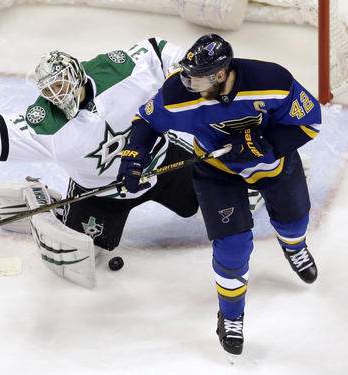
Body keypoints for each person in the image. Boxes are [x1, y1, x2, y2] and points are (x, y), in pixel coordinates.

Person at [0, 38, 210, 288]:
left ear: (77, 76)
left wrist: (186, 73)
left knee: (197, 204)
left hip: (159, 164)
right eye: (50, 90)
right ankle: (43, 203)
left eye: (61, 85)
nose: (58, 94)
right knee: (81, 258)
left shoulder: (116, 71)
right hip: (100, 194)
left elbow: (156, 50)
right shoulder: (47, 124)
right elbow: (0, 129)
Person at [117, 34, 321, 356]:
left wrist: (262, 146)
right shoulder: (177, 93)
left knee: (294, 224)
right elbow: (146, 121)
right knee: (233, 245)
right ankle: (231, 316)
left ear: (221, 74)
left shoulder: (272, 81)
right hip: (217, 172)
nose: (187, 81)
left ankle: (294, 248)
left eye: (196, 77)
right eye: (187, 73)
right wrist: (133, 157)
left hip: (272, 166)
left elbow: (308, 123)